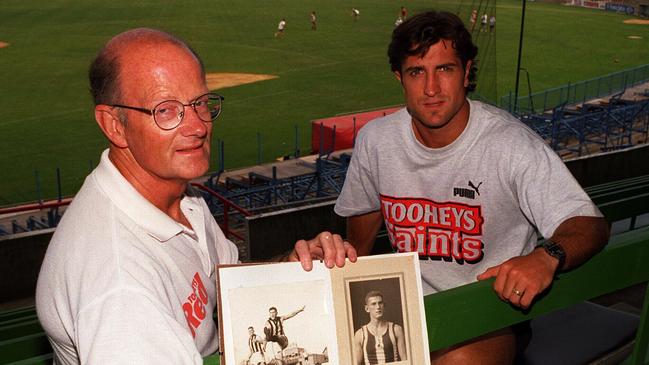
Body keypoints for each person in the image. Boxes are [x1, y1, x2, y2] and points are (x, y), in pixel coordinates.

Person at [35, 28, 357, 365]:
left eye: (199, 103)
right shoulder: (119, 288)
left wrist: (290, 267)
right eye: (165, 110)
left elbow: (226, 280)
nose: (198, 126)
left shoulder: (175, 193)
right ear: (114, 125)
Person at [334, 11, 609, 365]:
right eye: (417, 72)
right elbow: (358, 243)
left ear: (466, 72)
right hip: (403, 308)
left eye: (445, 69)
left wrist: (545, 256)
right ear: (399, 78)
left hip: (488, 313)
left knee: (459, 359)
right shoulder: (377, 140)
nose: (431, 89)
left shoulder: (510, 145)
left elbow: (590, 224)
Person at [353, 291, 406, 364]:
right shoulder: (360, 334)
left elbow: (405, 360)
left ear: (384, 306)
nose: (378, 307)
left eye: (380, 303)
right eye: (373, 304)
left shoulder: (396, 329)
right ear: (367, 309)